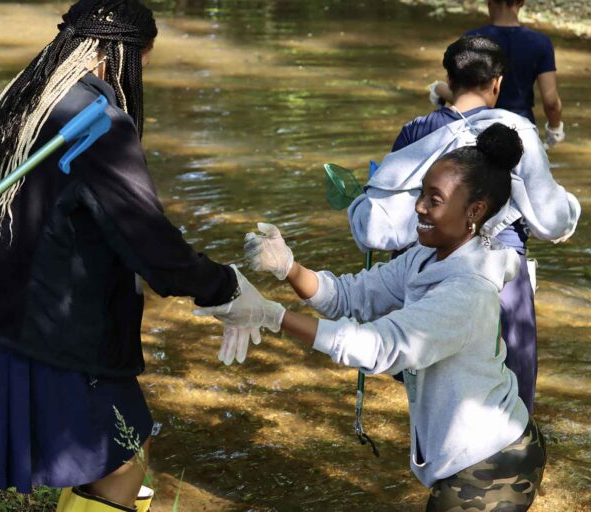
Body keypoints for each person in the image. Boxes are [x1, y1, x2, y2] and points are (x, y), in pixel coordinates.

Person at [0, 1, 277, 510]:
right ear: (124, 55)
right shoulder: (97, 125)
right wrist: (228, 289)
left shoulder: (18, 99)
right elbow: (153, 245)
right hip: (44, 333)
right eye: (143, 65)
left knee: (114, 450)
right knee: (126, 447)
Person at [205, 124, 546, 511]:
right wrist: (288, 267)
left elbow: (378, 347)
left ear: (475, 211)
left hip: (494, 461)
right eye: (421, 193)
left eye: (434, 199)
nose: (419, 206)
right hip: (473, 449)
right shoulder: (427, 256)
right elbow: (352, 296)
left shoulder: (466, 293)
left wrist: (272, 315)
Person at [350, 35, 580, 413]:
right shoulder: (516, 131)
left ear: (449, 80)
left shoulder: (416, 131)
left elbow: (381, 224)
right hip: (500, 279)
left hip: (430, 276)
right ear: (497, 84)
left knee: (435, 403)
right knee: (510, 401)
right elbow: (552, 221)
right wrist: (572, 207)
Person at [431, 0, 565, 149]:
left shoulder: (471, 40)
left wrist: (438, 89)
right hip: (522, 132)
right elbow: (551, 102)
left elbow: (462, 99)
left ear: (489, 2)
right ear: (522, 2)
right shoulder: (541, 43)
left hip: (480, 130)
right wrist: (554, 129)